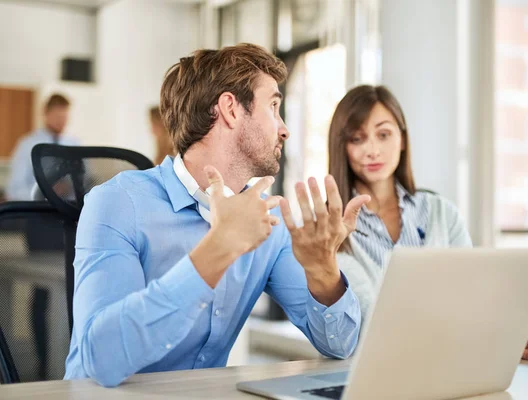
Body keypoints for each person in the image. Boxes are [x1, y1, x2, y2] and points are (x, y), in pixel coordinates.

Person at [64, 44, 370, 387]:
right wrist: (218, 248)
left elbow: (341, 345)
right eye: (273, 106)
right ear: (230, 109)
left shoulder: (269, 219)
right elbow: (102, 362)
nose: (284, 129)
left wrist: (323, 271)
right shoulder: (117, 202)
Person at [329, 85, 528, 361]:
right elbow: (346, 333)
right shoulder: (328, 226)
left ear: (402, 139)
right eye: (357, 138)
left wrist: (522, 332)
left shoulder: (441, 212)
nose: (372, 150)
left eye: (383, 135)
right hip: (370, 375)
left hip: (446, 366)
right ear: (342, 146)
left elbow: (473, 293)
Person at [6, 93, 80, 200]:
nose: (61, 122)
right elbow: (14, 189)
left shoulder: (75, 143)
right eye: (57, 117)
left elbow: (83, 182)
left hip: (68, 209)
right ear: (46, 113)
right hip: (36, 209)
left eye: (64, 117)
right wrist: (44, 195)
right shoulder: (27, 144)